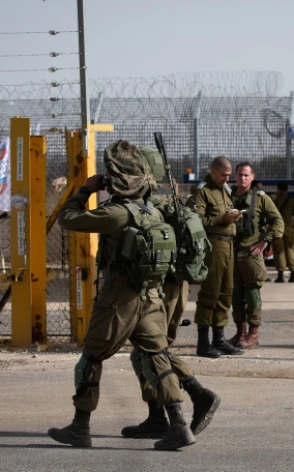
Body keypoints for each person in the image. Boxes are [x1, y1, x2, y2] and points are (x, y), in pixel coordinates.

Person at [48, 140, 195, 451]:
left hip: (119, 300)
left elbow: (67, 219)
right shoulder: (154, 210)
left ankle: (79, 427)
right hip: (150, 298)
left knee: (91, 358)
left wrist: (85, 190)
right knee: (156, 357)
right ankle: (179, 424)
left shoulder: (115, 213)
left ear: (115, 178)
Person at [121, 146, 220, 440]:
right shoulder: (169, 202)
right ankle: (157, 416)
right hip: (178, 286)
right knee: (147, 352)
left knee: (152, 351)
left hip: (159, 288)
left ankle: (197, 393)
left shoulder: (145, 207)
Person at [228, 163, 284, 348]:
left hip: (251, 252)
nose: (242, 179)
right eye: (239, 175)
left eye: (246, 175)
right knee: (235, 295)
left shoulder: (260, 198)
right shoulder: (228, 196)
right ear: (234, 176)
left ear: (252, 177)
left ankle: (253, 333)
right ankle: (240, 332)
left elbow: (278, 222)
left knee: (252, 294)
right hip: (231, 252)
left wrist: (265, 240)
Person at [193, 156, 244, 358]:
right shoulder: (202, 191)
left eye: (229, 176)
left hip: (228, 245)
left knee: (226, 292)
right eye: (223, 175)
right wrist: (222, 218)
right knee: (210, 292)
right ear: (213, 171)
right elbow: (196, 221)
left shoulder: (226, 191)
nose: (226, 179)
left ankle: (219, 340)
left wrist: (233, 217)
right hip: (212, 245)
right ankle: (203, 343)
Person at [272, 182, 294, 283]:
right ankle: (293, 274)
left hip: (277, 227)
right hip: (288, 228)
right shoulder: (292, 201)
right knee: (289, 250)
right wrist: (293, 227)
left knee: (279, 251)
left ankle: (281, 275)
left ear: (278, 189)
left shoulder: (274, 200)